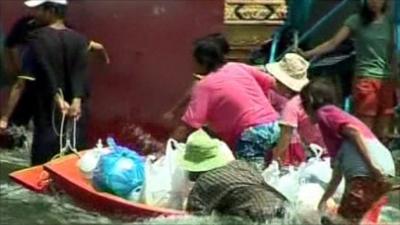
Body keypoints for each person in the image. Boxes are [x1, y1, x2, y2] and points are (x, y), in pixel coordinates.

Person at [0, 0, 89, 165]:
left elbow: (21, 83)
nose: (35, 14)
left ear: (51, 10)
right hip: (76, 118)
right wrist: (76, 100)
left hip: (48, 118)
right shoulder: (80, 40)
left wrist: (5, 117)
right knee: (70, 165)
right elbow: (81, 76)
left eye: (38, 10)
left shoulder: (36, 40)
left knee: (42, 171)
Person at [171, 37, 281, 169]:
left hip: (251, 133)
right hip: (273, 125)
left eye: (194, 61)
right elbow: (273, 83)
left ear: (204, 62)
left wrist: (170, 147)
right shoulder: (237, 67)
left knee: (249, 178)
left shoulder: (205, 86)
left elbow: (190, 125)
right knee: (269, 171)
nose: (191, 64)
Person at [300, 79, 395, 225]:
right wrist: (323, 202)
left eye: (303, 103)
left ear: (311, 101)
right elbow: (337, 175)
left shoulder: (325, 113)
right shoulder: (335, 130)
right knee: (349, 219)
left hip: (368, 173)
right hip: (381, 171)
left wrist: (373, 167)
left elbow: (354, 132)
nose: (303, 109)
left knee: (342, 221)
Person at [303, 0, 396, 143]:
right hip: (366, 77)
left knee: (384, 128)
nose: (374, 2)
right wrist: (307, 54)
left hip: (388, 79)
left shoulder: (392, 23)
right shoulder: (356, 20)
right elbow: (333, 43)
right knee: (365, 126)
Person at [0, 15, 109, 130]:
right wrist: (105, 60)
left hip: (42, 91)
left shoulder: (36, 43)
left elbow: (20, 84)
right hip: (51, 92)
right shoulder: (64, 34)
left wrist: (4, 118)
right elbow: (97, 47)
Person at [179, 129, 287, 223]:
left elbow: (194, 218)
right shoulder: (243, 165)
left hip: (259, 217)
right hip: (285, 206)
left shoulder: (203, 183)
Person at [264, 54, 327, 166]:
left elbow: (286, 137)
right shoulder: (308, 98)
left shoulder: (291, 106)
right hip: (326, 145)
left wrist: (274, 161)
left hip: (318, 150)